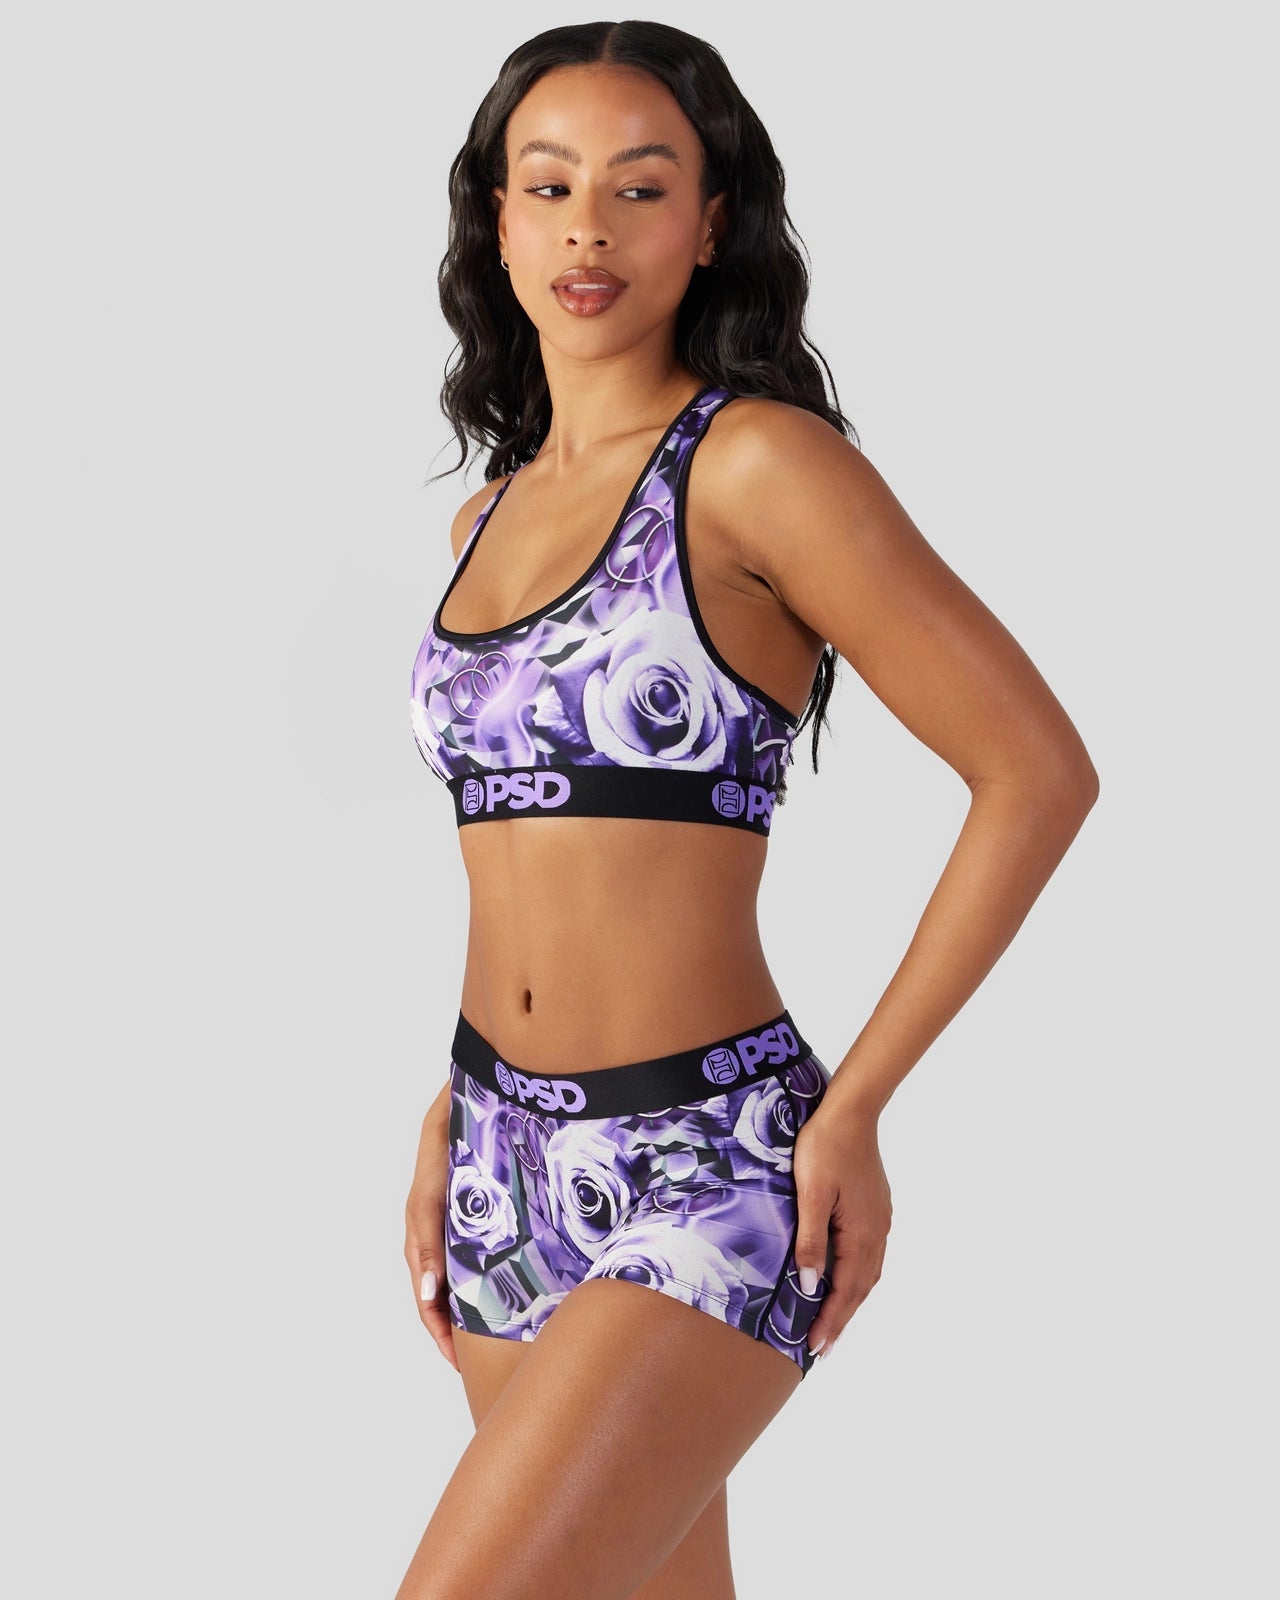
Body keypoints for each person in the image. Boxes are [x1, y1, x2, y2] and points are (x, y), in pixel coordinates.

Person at [399, 20, 1098, 1600]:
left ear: (710, 224)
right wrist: (456, 1105)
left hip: (710, 1160)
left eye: (640, 189)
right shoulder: (482, 518)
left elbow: (1036, 771)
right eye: (549, 186)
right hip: (502, 1155)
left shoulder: (757, 468)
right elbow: (529, 863)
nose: (589, 230)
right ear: (496, 220)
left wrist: (856, 1110)